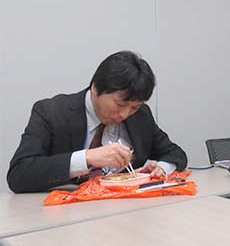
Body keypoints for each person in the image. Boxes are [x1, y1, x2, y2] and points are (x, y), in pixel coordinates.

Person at [7, 51, 188, 193]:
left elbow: (175, 153)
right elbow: (19, 174)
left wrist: (161, 169)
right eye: (120, 104)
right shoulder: (52, 112)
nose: (125, 114)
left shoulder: (140, 115)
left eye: (134, 107)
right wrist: (86, 158)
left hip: (126, 212)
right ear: (95, 88)